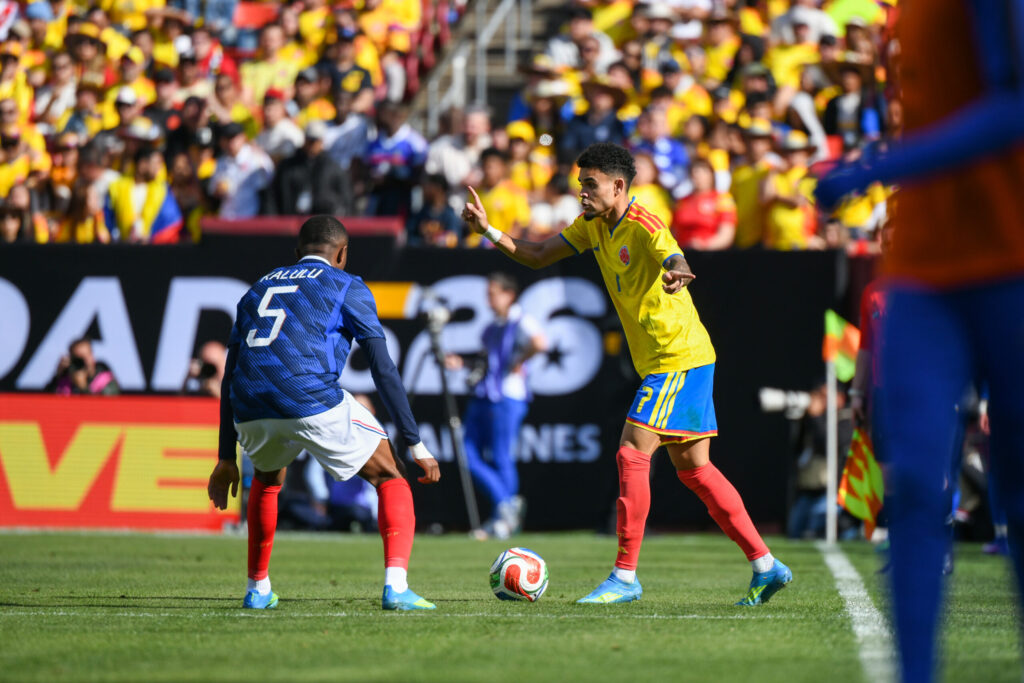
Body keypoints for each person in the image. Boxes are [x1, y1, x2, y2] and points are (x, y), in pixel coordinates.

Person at [462, 142, 791, 605]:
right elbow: (537, 255)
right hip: (679, 359)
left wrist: (678, 272)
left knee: (632, 453)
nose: (582, 193)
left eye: (589, 185)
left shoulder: (644, 222)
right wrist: (490, 231)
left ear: (618, 186)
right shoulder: (593, 226)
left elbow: (673, 255)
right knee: (696, 471)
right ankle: (766, 566)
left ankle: (624, 576)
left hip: (675, 357)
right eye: (580, 185)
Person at [815, 2, 1024, 680]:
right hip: (919, 271)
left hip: (1009, 261)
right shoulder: (901, 11)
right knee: (909, 479)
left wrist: (882, 164)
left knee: (1017, 489)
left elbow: (1013, 105)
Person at [207, 215, 441, 611]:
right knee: (391, 475)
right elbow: (382, 367)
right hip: (308, 395)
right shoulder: (347, 284)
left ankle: (257, 588)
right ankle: (396, 587)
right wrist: (414, 442)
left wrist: (225, 457)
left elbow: (231, 374)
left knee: (266, 479)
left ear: (296, 253)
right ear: (343, 254)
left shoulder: (256, 288)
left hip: (250, 405)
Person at [446, 272, 547, 539]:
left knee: (502, 456)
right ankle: (506, 508)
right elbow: (486, 364)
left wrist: (520, 359)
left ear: (508, 294)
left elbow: (540, 343)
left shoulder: (521, 321)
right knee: (467, 453)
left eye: (493, 294)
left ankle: (503, 515)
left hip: (508, 397)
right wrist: (463, 363)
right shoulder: (492, 328)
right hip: (484, 395)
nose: (489, 300)